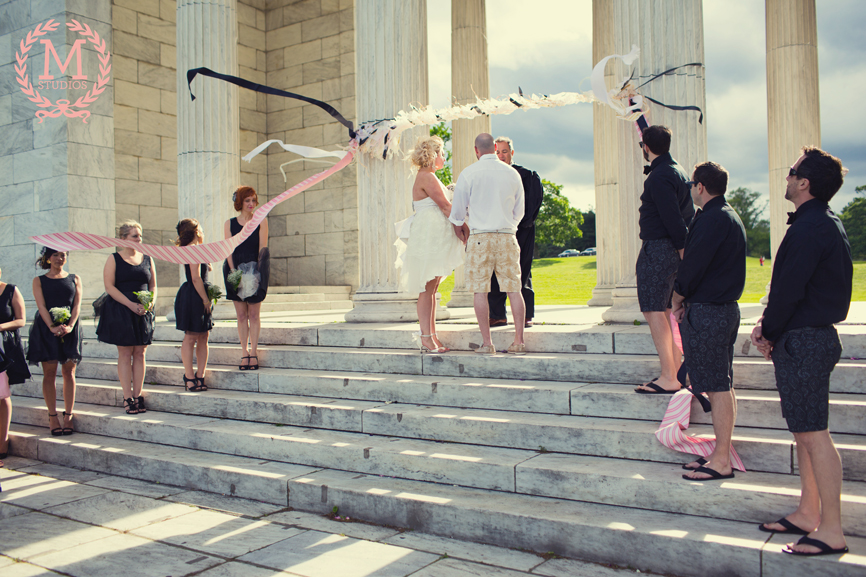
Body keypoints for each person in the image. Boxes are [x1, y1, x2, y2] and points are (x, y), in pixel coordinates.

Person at [752, 147, 852, 557]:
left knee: (815, 435)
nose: (787, 177)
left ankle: (831, 530)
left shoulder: (811, 228)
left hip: (806, 339)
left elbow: (789, 291)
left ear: (804, 182)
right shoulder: (822, 222)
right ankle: (808, 511)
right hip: (810, 337)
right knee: (805, 433)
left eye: (792, 172)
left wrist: (766, 330)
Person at [670, 162, 747, 481]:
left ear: (700, 186)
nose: (690, 189)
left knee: (717, 386)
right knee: (720, 384)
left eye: (691, 184)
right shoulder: (727, 215)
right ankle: (719, 454)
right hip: (722, 309)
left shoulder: (713, 218)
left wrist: (676, 298)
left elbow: (693, 266)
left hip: (711, 312)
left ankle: (721, 460)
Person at [449, 133, 526, 355]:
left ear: (476, 150)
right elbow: (519, 211)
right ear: (494, 147)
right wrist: (508, 226)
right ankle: (518, 341)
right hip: (506, 235)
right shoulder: (512, 173)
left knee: (480, 291)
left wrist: (462, 232)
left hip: (479, 236)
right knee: (514, 288)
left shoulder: (469, 173)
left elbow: (456, 214)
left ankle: (487, 344)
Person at [633, 125, 695, 394]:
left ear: (646, 147)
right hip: (669, 249)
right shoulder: (678, 170)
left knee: (653, 310)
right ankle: (676, 370)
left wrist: (683, 253)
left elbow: (673, 218)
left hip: (660, 249)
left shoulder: (659, 176)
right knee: (664, 310)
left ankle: (669, 376)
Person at [395, 136, 465, 353]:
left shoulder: (429, 176)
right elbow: (445, 206)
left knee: (432, 288)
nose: (444, 157)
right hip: (428, 237)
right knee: (427, 289)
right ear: (434, 155)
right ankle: (426, 338)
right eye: (443, 153)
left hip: (432, 236)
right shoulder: (428, 176)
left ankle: (431, 336)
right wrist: (465, 231)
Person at [95, 221, 157, 414]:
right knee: (125, 354)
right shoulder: (114, 258)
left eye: (140, 235)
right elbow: (109, 287)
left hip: (143, 311)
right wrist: (130, 305)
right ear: (123, 239)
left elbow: (153, 285)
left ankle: (138, 396)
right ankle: (127, 397)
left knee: (140, 353)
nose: (139, 239)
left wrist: (150, 303)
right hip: (122, 310)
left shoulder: (148, 258)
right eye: (135, 236)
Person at [26, 247, 83, 436]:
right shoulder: (39, 281)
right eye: (56, 255)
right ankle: (52, 416)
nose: (60, 258)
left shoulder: (74, 278)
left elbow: (77, 305)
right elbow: (41, 305)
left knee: (69, 371)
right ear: (48, 258)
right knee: (49, 372)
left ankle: (68, 415)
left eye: (63, 255)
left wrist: (70, 326)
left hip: (69, 329)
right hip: (46, 328)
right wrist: (51, 326)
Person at [489, 137, 543, 328]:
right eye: (497, 152)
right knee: (494, 271)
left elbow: (533, 203)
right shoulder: (490, 176)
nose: (501, 156)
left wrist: (518, 223)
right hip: (496, 230)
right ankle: (497, 315)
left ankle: (526, 315)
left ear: (512, 153)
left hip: (522, 230)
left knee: (522, 270)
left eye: (504, 151)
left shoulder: (527, 175)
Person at [223, 186, 269, 370]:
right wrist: (234, 272)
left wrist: (257, 273)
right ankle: (244, 353)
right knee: (241, 315)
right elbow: (228, 249)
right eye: (247, 200)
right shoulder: (229, 223)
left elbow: (262, 248)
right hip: (235, 269)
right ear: (240, 202)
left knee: (254, 314)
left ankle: (254, 353)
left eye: (253, 200)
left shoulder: (261, 221)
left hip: (255, 268)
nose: (251, 204)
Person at [174, 219, 212, 392]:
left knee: (203, 336)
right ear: (197, 231)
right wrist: (205, 299)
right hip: (194, 295)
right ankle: (189, 377)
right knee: (191, 337)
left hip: (196, 292)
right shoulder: (193, 249)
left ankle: (200, 376)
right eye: (202, 229)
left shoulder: (194, 250)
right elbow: (196, 278)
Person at [0, 265, 30, 466]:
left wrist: (0, 326)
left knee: (2, 395)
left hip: (2, 349)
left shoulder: (10, 290)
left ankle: (2, 444)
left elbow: (21, 320)